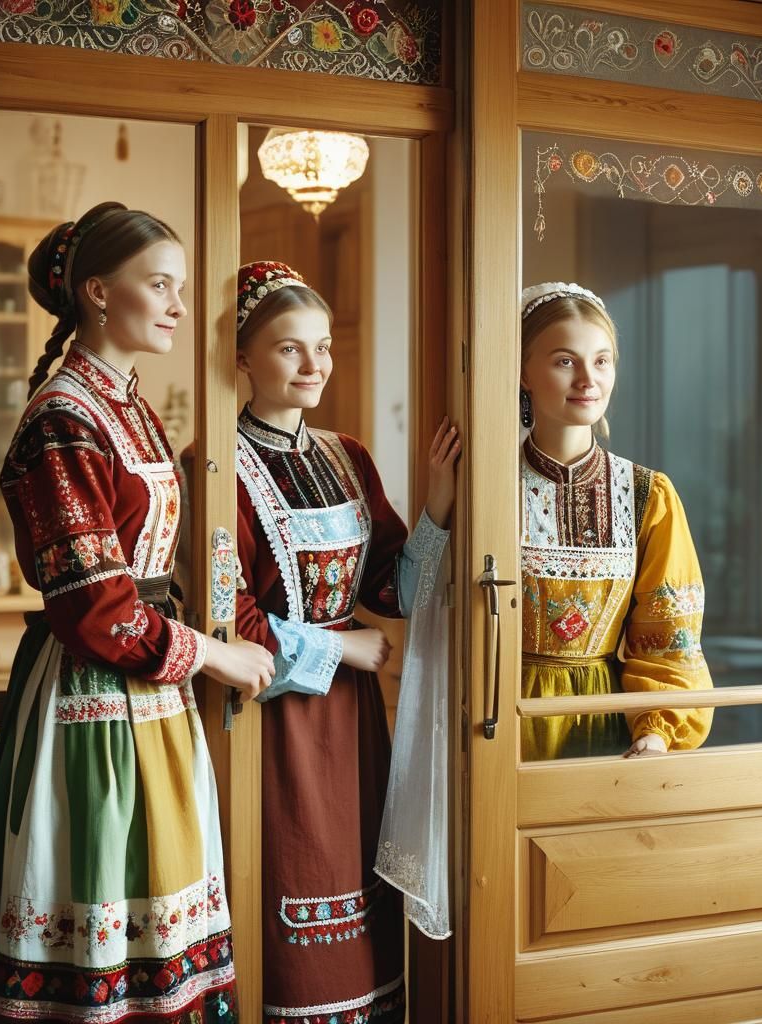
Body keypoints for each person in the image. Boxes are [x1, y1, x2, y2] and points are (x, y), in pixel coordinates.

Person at [0, 202, 275, 1023]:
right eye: (161, 285)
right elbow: (97, 609)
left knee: (166, 912)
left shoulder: (131, 404)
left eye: (181, 287)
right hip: (95, 699)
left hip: (152, 697)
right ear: (99, 293)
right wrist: (215, 656)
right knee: (105, 906)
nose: (181, 305)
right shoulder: (63, 419)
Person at [232, 261, 458, 1023]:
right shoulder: (218, 464)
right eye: (290, 348)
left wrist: (438, 501)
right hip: (274, 715)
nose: (314, 364)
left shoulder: (347, 456)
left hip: (357, 722)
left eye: (322, 347)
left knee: (363, 886)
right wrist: (347, 652)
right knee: (292, 882)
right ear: (242, 358)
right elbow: (230, 620)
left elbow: (394, 590)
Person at [517, 281, 713, 760]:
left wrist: (656, 730)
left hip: (606, 725)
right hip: (498, 717)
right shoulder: (488, 487)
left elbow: (670, 637)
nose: (589, 379)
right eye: (566, 361)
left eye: (601, 361)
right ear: (523, 371)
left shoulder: (649, 495)